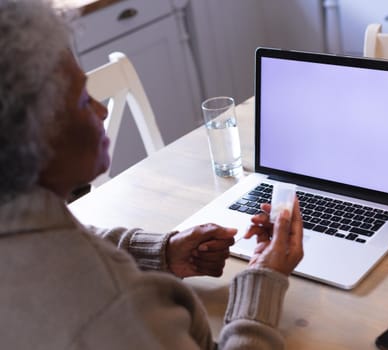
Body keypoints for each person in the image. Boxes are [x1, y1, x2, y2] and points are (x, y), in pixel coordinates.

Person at [0, 1, 304, 349]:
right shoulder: (116, 309)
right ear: (35, 134)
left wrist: (162, 251)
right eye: (83, 101)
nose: (101, 111)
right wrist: (263, 282)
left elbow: (64, 240)